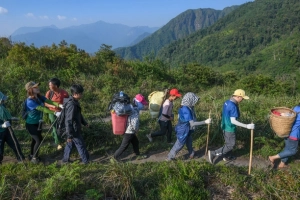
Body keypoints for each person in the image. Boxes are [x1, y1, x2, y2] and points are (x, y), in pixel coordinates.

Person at [208, 89, 255, 164]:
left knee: (228, 143)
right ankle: (213, 153)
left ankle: (227, 156)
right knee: (230, 145)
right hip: (229, 127)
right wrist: (247, 126)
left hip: (224, 125)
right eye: (242, 98)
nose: (242, 100)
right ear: (238, 96)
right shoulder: (233, 106)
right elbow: (233, 121)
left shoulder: (227, 102)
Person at [24, 81, 62, 164]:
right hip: (31, 124)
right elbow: (42, 109)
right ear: (30, 89)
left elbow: (49, 101)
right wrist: (54, 112)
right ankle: (34, 158)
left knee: (34, 140)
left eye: (37, 86)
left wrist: (59, 105)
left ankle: (32, 154)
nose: (38, 88)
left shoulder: (39, 97)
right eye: (35, 87)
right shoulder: (29, 101)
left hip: (38, 123)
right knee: (38, 140)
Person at [166, 92, 211, 161]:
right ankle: (170, 157)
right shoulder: (185, 109)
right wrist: (205, 122)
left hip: (187, 128)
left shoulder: (188, 107)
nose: (195, 102)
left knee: (189, 140)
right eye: (193, 100)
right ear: (189, 100)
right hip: (183, 129)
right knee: (179, 143)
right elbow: (192, 123)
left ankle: (191, 153)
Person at [61, 84, 89, 164]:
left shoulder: (74, 102)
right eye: (81, 93)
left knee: (70, 144)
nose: (82, 95)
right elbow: (68, 120)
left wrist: (84, 123)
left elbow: (78, 115)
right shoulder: (72, 105)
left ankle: (65, 159)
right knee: (80, 145)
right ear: (75, 94)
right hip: (74, 129)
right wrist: (69, 134)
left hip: (73, 128)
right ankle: (85, 161)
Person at [0, 91, 25, 164]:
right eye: (2, 99)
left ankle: (20, 158)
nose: (4, 101)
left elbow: (5, 115)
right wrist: (2, 125)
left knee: (14, 143)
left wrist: (11, 118)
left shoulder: (2, 106)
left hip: (7, 130)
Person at [44, 78, 69, 150]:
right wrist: (53, 106)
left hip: (62, 112)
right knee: (54, 126)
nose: (49, 86)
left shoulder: (64, 93)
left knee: (62, 126)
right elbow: (45, 103)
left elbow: (67, 102)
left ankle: (64, 138)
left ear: (56, 85)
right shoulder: (49, 93)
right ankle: (58, 142)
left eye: (50, 85)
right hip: (52, 112)